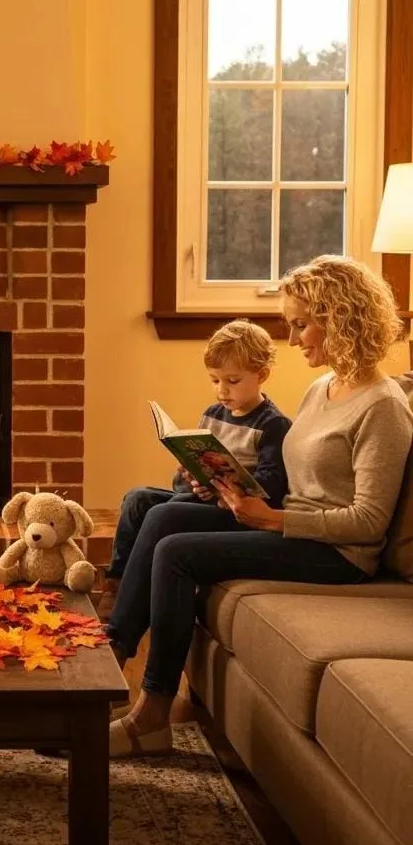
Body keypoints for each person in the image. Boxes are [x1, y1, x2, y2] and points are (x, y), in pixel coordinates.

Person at [105, 255, 413, 757]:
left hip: (336, 553)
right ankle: (108, 665)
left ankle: (151, 714)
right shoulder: (323, 388)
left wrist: (273, 518)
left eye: (300, 325)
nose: (293, 340)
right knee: (159, 510)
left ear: (340, 317)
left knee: (175, 550)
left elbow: (369, 521)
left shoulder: (383, 407)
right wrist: (225, 482)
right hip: (287, 521)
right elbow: (300, 476)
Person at [99, 319, 291, 618]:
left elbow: (273, 485)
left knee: (164, 512)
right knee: (137, 499)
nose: (222, 391)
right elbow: (183, 485)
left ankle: (133, 602)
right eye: (215, 380)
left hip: (233, 512)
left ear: (261, 375)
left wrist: (225, 484)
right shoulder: (213, 414)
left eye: (232, 381)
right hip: (200, 499)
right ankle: (115, 583)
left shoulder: (273, 424)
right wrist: (191, 475)